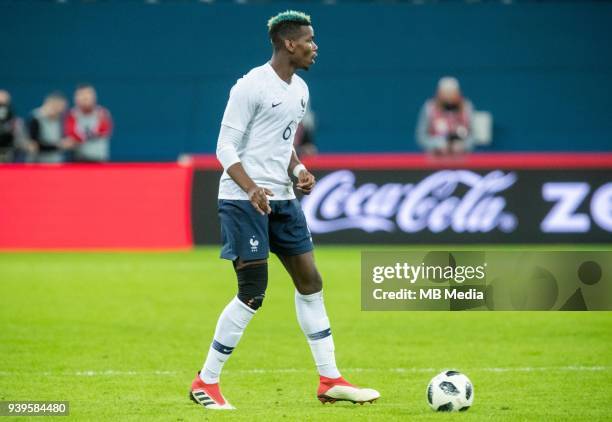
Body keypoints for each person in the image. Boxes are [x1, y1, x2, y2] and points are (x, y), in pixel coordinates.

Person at [189, 10, 380, 410]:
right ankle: (206, 382)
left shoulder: (301, 89)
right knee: (252, 293)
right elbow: (224, 147)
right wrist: (252, 187)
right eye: (309, 40)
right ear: (288, 43)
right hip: (244, 201)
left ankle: (330, 379)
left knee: (310, 281)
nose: (315, 46)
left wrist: (298, 168)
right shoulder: (250, 86)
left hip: (282, 199)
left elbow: (283, 142)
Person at [416, 76, 475, 156]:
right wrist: (436, 144)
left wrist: (463, 145)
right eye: (446, 92)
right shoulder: (429, 108)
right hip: (435, 158)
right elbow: (421, 137)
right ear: (439, 93)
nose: (448, 96)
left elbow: (473, 136)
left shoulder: (467, 107)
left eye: (451, 92)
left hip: (462, 158)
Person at [64, 84, 113, 162]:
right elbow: (72, 134)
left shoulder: (102, 113)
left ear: (94, 97)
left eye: (87, 95)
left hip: (99, 159)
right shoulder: (72, 114)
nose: (85, 98)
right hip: (78, 159)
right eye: (81, 96)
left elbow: (102, 131)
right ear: (76, 98)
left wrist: (80, 138)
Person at [28, 92, 69, 163]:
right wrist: (59, 146)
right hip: (38, 163)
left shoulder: (61, 120)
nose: (60, 110)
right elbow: (34, 146)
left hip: (56, 162)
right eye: (57, 107)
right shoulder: (35, 119)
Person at [0, 90, 30, 163]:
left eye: (4, 104)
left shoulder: (16, 122)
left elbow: (23, 143)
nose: (2, 108)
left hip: (10, 158)